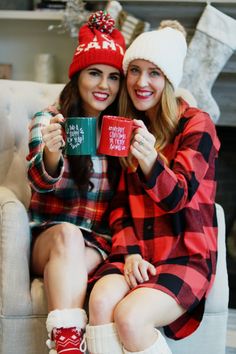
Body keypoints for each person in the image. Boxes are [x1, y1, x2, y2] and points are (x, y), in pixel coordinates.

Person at [86, 20, 220, 354]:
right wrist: (129, 253)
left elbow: (178, 197)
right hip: (137, 252)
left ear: (169, 80)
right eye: (134, 70)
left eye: (154, 73)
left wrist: (149, 160)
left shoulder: (197, 125)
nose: (141, 82)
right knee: (101, 301)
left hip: (184, 254)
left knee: (131, 318)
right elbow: (117, 204)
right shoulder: (126, 125)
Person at [27, 10, 126, 354]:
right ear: (77, 76)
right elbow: (38, 181)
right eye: (95, 73)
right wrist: (53, 154)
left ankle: (66, 347)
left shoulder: (120, 131)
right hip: (49, 237)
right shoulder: (50, 118)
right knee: (67, 236)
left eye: (114, 77)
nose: (104, 86)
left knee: (74, 260)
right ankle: (69, 344)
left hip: (96, 246)